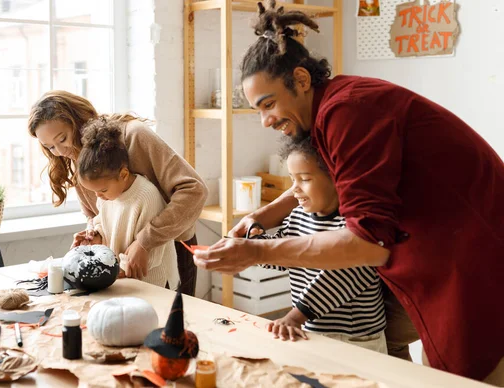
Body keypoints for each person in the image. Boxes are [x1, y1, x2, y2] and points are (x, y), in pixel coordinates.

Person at [193, 1, 504, 384]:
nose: (266, 121)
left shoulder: (348, 111)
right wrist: (260, 217)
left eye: (269, 105)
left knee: (466, 374)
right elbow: (314, 181)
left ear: (302, 80)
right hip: (432, 245)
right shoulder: (327, 112)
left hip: (471, 248)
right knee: (396, 353)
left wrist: (255, 251)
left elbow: (366, 243)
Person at [28, 91, 208, 296]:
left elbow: (194, 190)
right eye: (50, 147)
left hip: (170, 252)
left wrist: (145, 241)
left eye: (62, 138)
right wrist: (94, 233)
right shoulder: (75, 154)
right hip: (123, 263)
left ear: (78, 119)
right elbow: (94, 211)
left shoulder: (134, 136)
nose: (60, 151)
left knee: (175, 325)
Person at [255, 138, 387, 353]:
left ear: (337, 179)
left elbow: (342, 276)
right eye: (292, 180)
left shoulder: (354, 225)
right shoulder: (298, 216)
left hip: (357, 338)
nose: (294, 190)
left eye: (304, 179)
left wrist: (295, 316)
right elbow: (282, 253)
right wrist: (249, 246)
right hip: (314, 327)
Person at [76, 116, 179, 289]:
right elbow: (105, 222)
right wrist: (97, 235)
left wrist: (116, 270)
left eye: (101, 190)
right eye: (94, 191)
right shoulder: (107, 196)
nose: (98, 196)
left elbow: (152, 253)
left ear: (123, 175)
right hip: (125, 279)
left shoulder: (146, 196)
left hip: (154, 282)